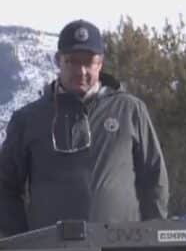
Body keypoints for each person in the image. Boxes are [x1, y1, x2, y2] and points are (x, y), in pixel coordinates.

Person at [0, 19, 168, 237]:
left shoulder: (129, 110)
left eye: (89, 62)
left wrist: (154, 236)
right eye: (72, 61)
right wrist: (20, 239)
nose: (81, 71)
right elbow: (4, 187)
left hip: (121, 249)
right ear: (58, 61)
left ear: (100, 63)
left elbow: (154, 178)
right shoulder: (28, 119)